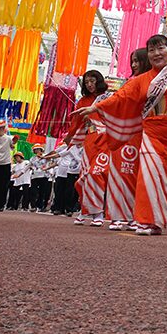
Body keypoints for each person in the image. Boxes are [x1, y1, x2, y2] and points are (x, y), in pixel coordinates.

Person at [74, 35, 167, 236]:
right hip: (153, 133)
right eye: (152, 50)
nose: (157, 54)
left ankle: (157, 222)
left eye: (161, 48)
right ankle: (144, 220)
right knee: (148, 174)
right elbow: (121, 97)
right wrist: (96, 107)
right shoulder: (142, 80)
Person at [106, 48, 151, 231]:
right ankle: (116, 216)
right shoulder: (130, 83)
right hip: (125, 133)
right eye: (132, 61)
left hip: (145, 134)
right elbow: (117, 103)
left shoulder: (154, 83)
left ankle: (135, 216)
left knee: (139, 176)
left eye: (137, 61)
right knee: (120, 172)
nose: (134, 65)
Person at [63, 70, 110, 227]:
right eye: (87, 82)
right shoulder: (83, 101)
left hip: (107, 141)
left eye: (92, 81)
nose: (90, 84)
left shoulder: (108, 97)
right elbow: (76, 123)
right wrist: (69, 137)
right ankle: (85, 210)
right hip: (90, 141)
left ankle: (98, 213)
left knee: (96, 173)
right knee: (84, 177)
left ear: (99, 81)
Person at [28, 145, 50, 213]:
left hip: (44, 176)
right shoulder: (32, 158)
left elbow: (52, 155)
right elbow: (29, 166)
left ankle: (40, 206)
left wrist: (43, 157)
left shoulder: (46, 156)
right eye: (35, 149)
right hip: (34, 176)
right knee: (33, 191)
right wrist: (21, 173)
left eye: (38, 149)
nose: (37, 151)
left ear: (41, 150)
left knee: (42, 192)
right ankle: (33, 206)